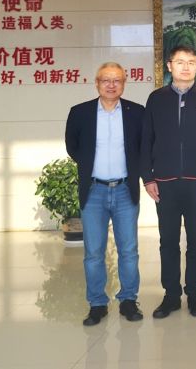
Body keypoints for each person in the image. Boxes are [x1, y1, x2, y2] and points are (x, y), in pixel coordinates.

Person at [141, 45, 196, 319]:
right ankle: (171, 295)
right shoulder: (157, 99)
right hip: (164, 181)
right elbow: (146, 140)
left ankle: (195, 295)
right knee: (168, 241)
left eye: (191, 62)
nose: (185, 67)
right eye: (180, 62)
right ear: (169, 66)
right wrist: (147, 178)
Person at [65, 62, 145, 326]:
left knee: (129, 250)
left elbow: (143, 147)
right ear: (97, 83)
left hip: (124, 190)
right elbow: (73, 147)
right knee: (93, 252)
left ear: (124, 84)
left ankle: (128, 300)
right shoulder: (80, 112)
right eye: (106, 80)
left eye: (117, 80)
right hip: (94, 191)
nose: (111, 85)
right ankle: (97, 303)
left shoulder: (137, 113)